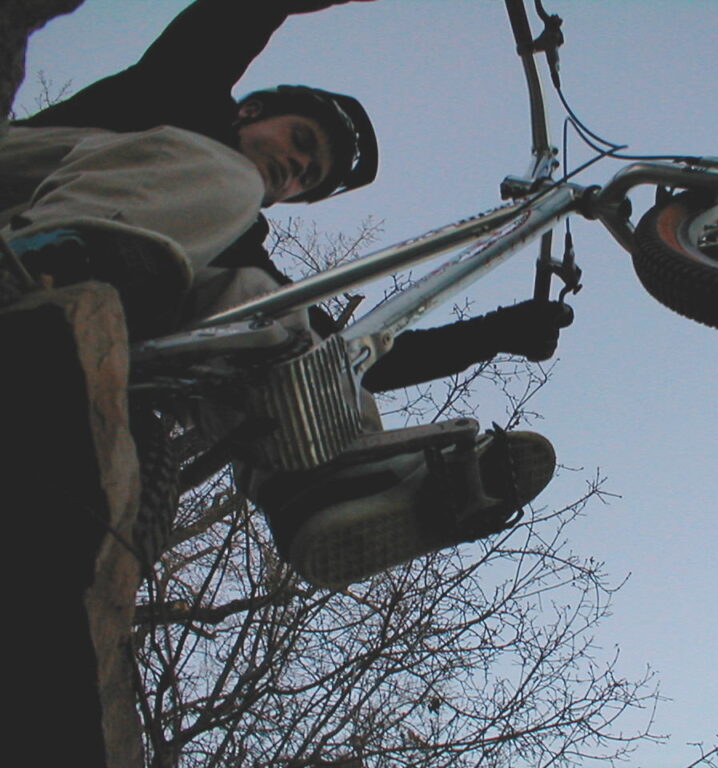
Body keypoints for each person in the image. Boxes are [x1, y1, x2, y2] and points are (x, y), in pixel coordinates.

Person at [0, 0, 570, 588]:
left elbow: (353, 357)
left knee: (268, 314)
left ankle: (329, 485)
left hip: (107, 299)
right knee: (228, 179)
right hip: (17, 202)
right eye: (299, 140)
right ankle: (50, 260)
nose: (295, 166)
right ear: (250, 111)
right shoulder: (175, 95)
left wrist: (497, 332)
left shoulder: (230, 245)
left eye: (306, 175)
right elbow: (236, 15)